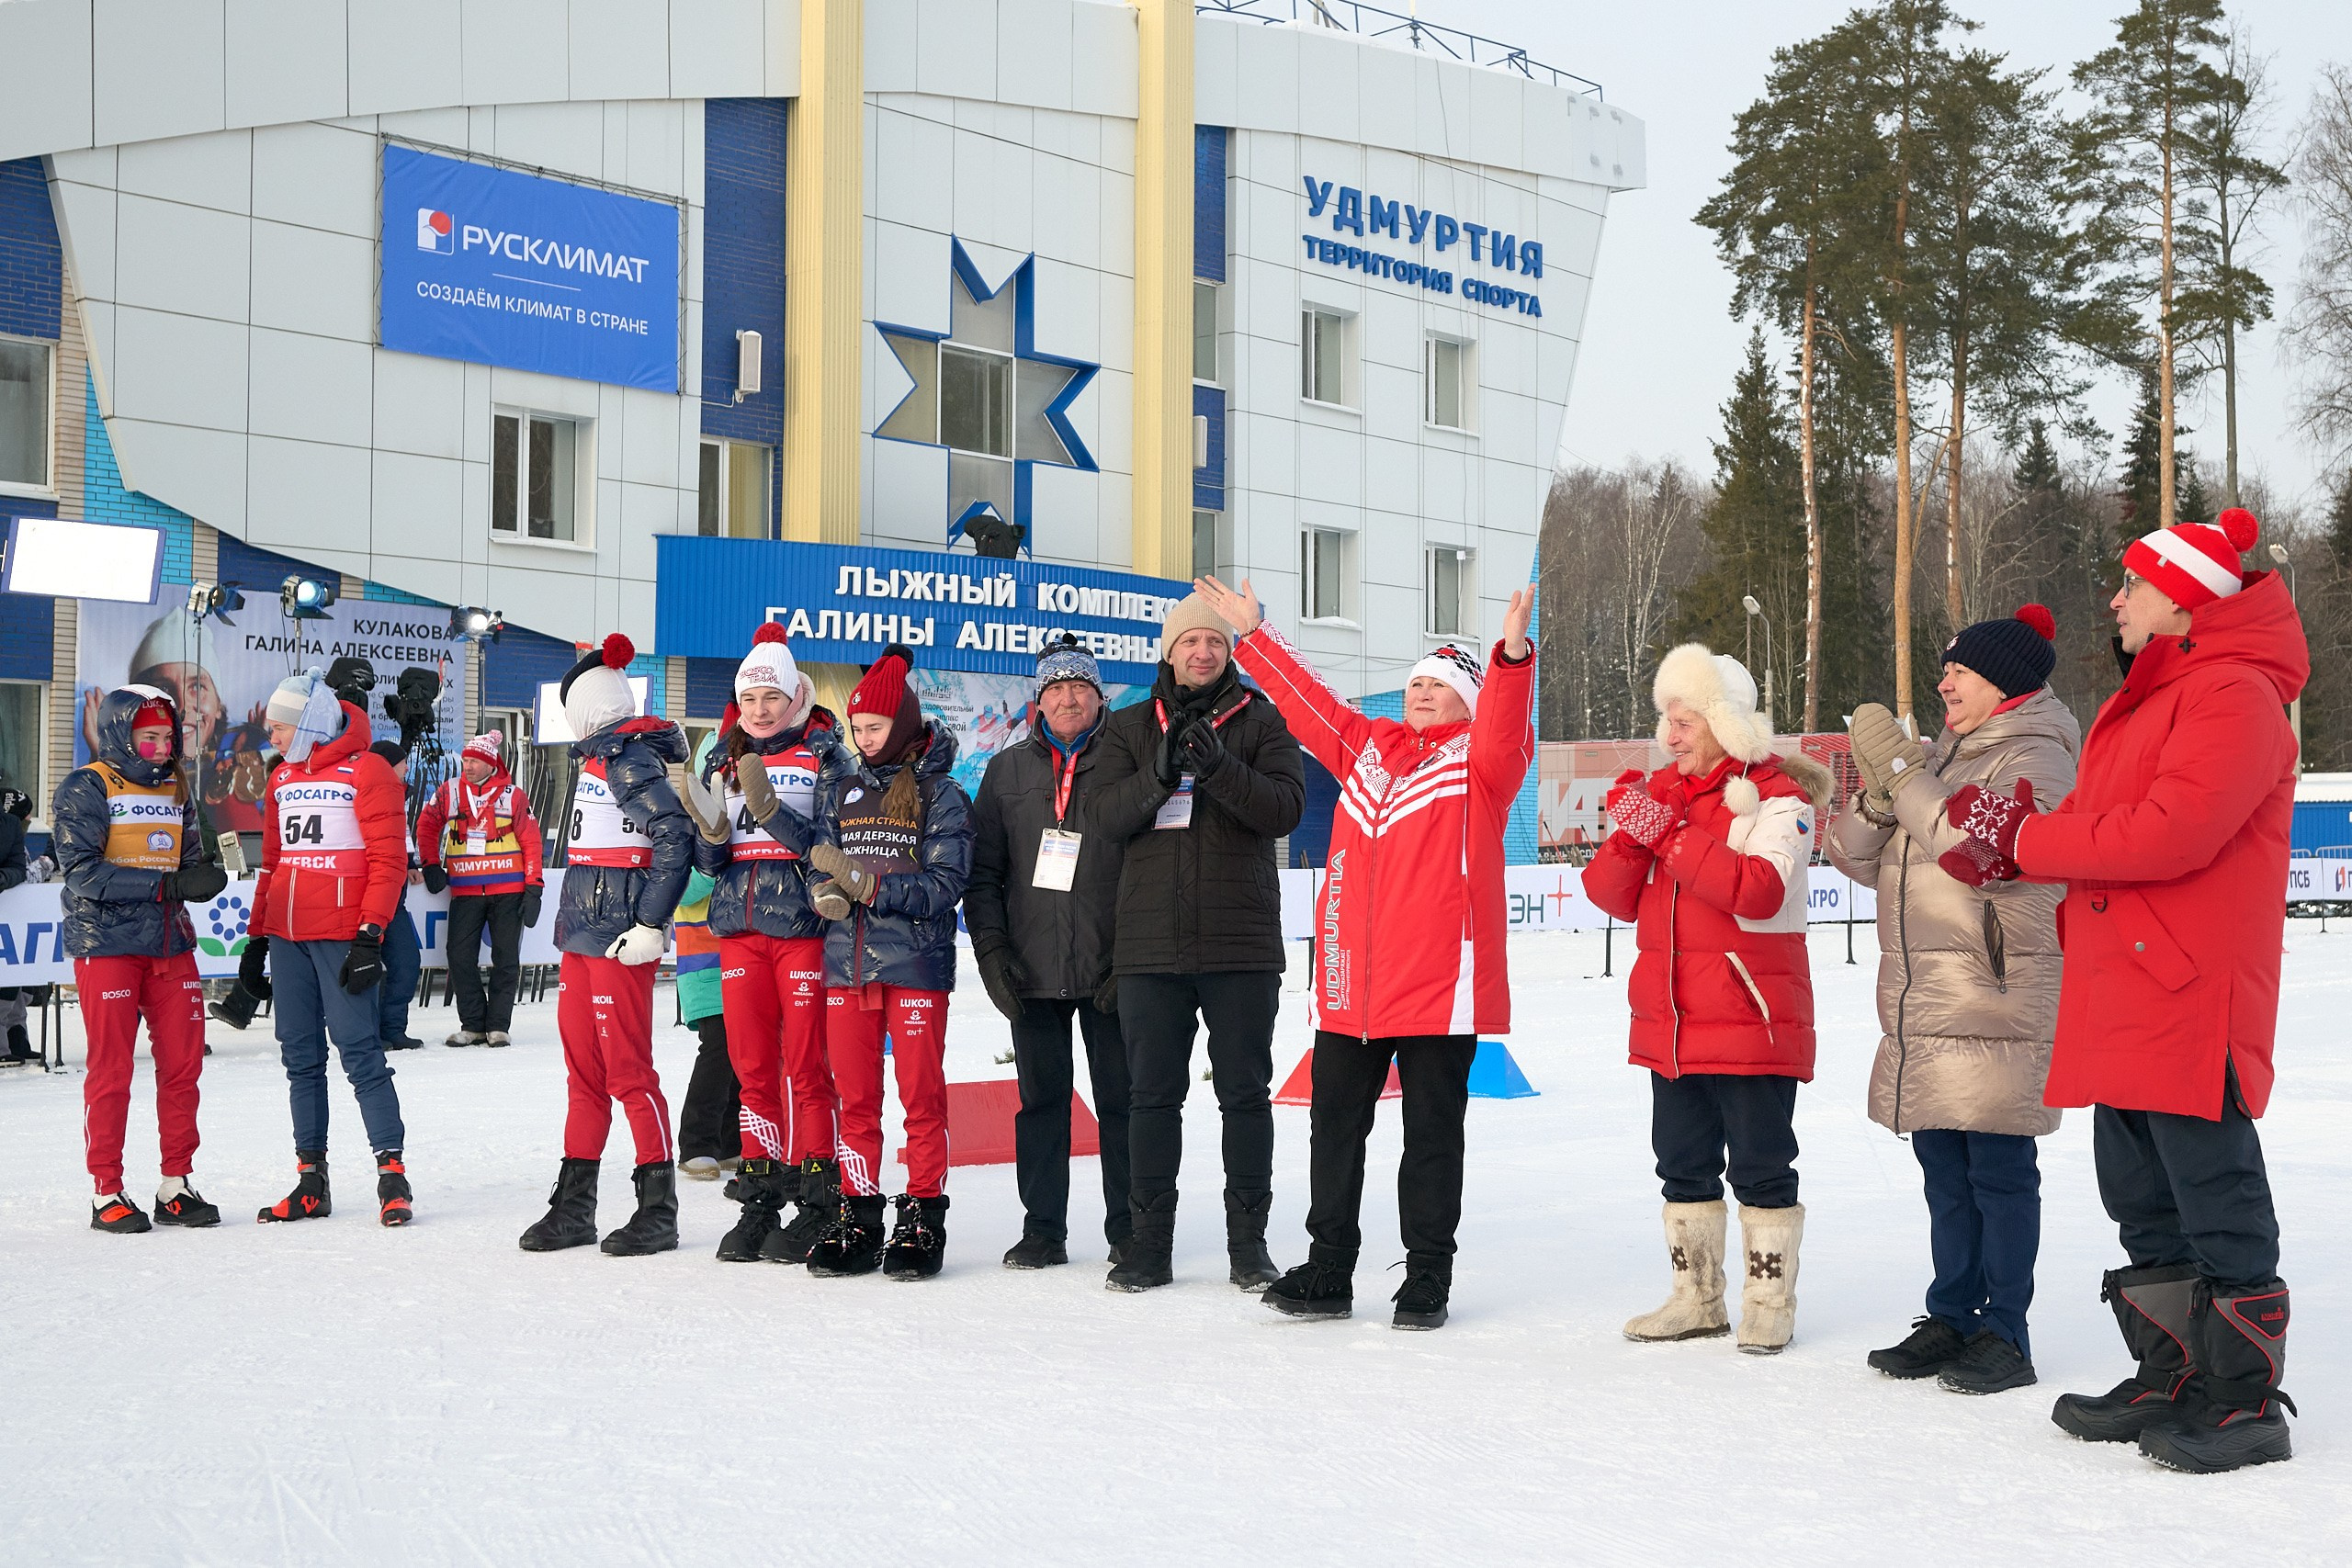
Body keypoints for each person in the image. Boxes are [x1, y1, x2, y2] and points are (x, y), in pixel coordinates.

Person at [1939, 509, 2307, 1473]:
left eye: (2133, 584)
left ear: (2185, 601)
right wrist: (2011, 835)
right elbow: (2100, 825)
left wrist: (2025, 840)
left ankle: (2241, 1400)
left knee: (2212, 1194)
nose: (2115, 598)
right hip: (2126, 984)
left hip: (2188, 990)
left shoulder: (2233, 696)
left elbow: (2168, 833)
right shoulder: (2144, 699)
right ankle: (2172, 1375)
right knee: (2140, 1197)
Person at [1190, 577, 1535, 1329]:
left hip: (1439, 988)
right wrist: (1254, 637)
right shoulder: (1368, 747)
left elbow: (1508, 727)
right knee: (1333, 1129)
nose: (1418, 692)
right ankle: (1330, 1269)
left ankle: (1426, 1277)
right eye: (1413, 682)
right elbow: (1311, 705)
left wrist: (1511, 657)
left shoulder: (1480, 764)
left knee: (1431, 1138)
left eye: (1437, 686)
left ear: (1466, 702)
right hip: (1353, 985)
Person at [1830, 606, 2080, 1395]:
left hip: (1997, 989)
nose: (1944, 684)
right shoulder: (1944, 754)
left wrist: (1908, 779)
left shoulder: (2036, 753)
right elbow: (1850, 857)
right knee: (1943, 1162)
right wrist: (1878, 793)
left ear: (2001, 682)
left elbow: (1978, 850)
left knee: (1998, 1163)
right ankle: (1954, 1313)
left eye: (1959, 672)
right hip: (1929, 992)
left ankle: (2006, 1328)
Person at [1581, 645, 1829, 1355]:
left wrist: (1673, 835)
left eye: (1684, 720)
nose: (1670, 734)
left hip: (1752, 1021)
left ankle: (1767, 1302)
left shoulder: (1781, 796)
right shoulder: (1667, 796)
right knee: (1682, 1161)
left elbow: (1759, 889)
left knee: (1760, 1164)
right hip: (1674, 1021)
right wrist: (1635, 832)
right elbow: (1607, 896)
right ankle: (1696, 1298)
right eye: (1667, 719)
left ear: (1724, 722)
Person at [1087, 592, 1305, 1293]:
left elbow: (1284, 808)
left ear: (1228, 652)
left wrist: (1219, 769)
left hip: (1240, 945)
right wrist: (1159, 773)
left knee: (1245, 1094)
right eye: (1190, 642)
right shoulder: (1124, 727)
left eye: (1214, 641)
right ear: (1168, 651)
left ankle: (1249, 1244)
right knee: (1151, 1097)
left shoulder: (1263, 719)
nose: (1202, 652)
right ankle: (1148, 1243)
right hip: (1150, 946)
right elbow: (1103, 817)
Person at [517, 634, 694, 1258]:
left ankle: (657, 1207)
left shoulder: (627, 757)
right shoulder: (599, 757)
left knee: (626, 1071)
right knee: (585, 1073)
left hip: (618, 938)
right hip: (585, 935)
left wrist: (650, 923)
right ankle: (576, 1204)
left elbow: (675, 835)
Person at [801, 642, 973, 1280]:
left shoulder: (943, 795)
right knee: (856, 1098)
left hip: (915, 967)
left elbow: (944, 887)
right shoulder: (842, 789)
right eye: (857, 729)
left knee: (921, 1097)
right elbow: (819, 854)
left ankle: (924, 1212)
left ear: (901, 724)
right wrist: (822, 890)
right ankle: (859, 1210)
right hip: (847, 966)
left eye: (874, 728)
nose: (864, 740)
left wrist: (872, 889)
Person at [966, 634, 1136, 1270]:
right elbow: (984, 872)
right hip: (1030, 968)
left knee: (1122, 1102)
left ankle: (1129, 1228)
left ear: (1098, 697)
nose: (1068, 699)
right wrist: (991, 950)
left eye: (1080, 688)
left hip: (1110, 965)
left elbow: (1147, 863)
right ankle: (1043, 1229)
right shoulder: (1007, 770)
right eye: (1057, 689)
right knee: (1040, 1103)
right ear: (1040, 701)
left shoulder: (1125, 760)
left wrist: (1133, 956)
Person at [681, 623, 846, 1265]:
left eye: (770, 698)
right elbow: (715, 862)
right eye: (749, 700)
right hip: (740, 931)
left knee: (805, 1066)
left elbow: (834, 845)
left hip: (801, 929)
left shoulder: (825, 754)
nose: (759, 710)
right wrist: (710, 828)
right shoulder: (726, 756)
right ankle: (759, 1192)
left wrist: (774, 809)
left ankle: (817, 1194)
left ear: (795, 695)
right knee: (752, 1072)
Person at [52, 686, 230, 1229]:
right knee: (112, 1069)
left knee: (184, 1065)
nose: (158, 746)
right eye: (147, 736)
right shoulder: (87, 785)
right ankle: (106, 1190)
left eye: (166, 736)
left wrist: (203, 876)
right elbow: (83, 872)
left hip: (169, 944)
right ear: (119, 734)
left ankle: (175, 1183)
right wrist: (168, 884)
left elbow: (192, 856)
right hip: (106, 945)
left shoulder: (179, 786)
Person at [245, 669, 415, 1227]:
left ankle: (392, 1176)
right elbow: (272, 864)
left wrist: (371, 935)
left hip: (342, 935)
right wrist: (255, 939)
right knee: (300, 1058)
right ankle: (310, 1180)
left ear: (309, 723)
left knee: (360, 1052)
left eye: (279, 725)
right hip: (288, 937)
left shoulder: (367, 771)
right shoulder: (282, 779)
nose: (270, 735)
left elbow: (389, 862)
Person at [416, 731, 545, 1047]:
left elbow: (531, 840)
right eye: (465, 760)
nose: (468, 766)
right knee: (459, 957)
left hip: (508, 890)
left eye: (474, 761)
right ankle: (472, 1024)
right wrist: (431, 863)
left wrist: (534, 886)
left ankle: (498, 1026)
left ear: (490, 764)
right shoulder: (450, 791)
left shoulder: (513, 795)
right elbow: (427, 823)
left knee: (506, 959)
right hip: (465, 891)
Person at [673, 732, 741, 1183]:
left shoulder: (749, 820)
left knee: (743, 1055)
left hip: (741, 957)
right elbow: (683, 889)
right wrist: (713, 862)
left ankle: (730, 1142)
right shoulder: (687, 825)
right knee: (718, 1051)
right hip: (704, 964)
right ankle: (697, 1142)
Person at [370, 742, 425, 1051]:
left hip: (395, 900)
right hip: (369, 900)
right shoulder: (365, 794)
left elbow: (398, 837)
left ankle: (392, 1029)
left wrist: (410, 863)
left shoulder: (397, 794)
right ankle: (368, 1032)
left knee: (406, 962)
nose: (406, 769)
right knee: (367, 968)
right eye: (402, 764)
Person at [0, 788, 34, 1066]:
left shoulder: (10, 829)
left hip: (13, 914)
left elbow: (21, 870)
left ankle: (15, 1038)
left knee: (15, 978)